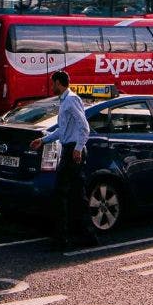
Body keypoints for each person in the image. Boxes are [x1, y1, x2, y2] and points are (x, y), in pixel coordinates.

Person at [31, 70, 98, 248]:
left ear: (59, 83)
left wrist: (77, 148)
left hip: (72, 152)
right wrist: (43, 140)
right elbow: (62, 130)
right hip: (70, 150)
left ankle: (62, 238)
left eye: (52, 83)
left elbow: (84, 126)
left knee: (62, 193)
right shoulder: (65, 102)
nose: (51, 86)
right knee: (75, 194)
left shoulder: (71, 100)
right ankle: (85, 235)